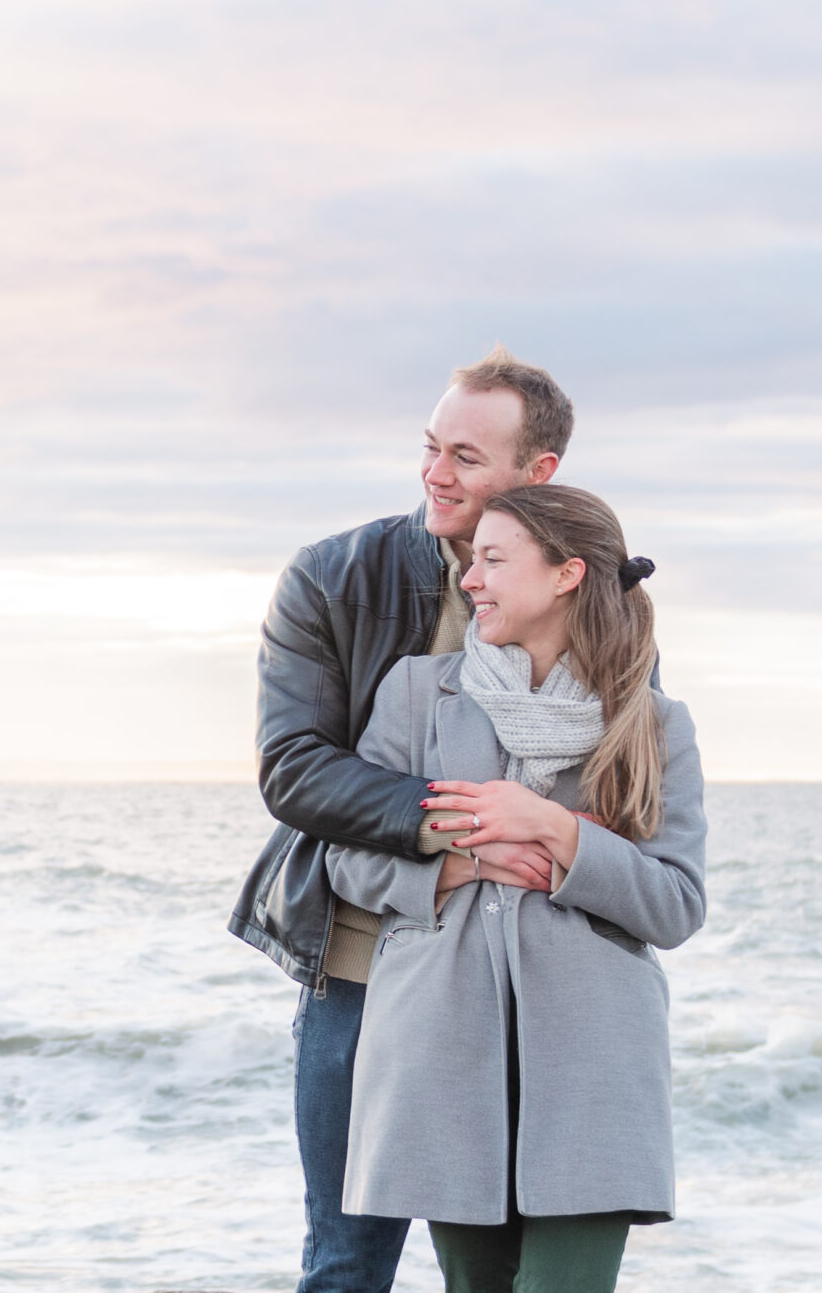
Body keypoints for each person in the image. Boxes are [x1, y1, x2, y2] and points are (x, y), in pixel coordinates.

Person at [228, 347, 578, 1293]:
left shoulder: (593, 589)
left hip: (511, 974)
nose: (434, 473)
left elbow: (619, 779)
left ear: (537, 474)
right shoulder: (333, 576)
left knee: (500, 1273)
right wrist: (467, 830)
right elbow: (294, 769)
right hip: (359, 967)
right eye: (430, 447)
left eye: (466, 456)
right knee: (346, 1263)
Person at [323, 484, 706, 1293]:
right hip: (440, 1049)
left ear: (566, 574)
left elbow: (675, 905)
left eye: (494, 560)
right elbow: (346, 865)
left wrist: (556, 831)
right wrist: (463, 861)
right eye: (473, 561)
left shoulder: (653, 720)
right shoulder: (416, 694)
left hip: (593, 1063)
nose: (472, 580)